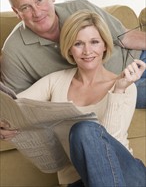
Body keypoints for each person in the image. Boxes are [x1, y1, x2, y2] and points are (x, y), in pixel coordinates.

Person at [3, 10, 146, 187]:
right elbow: (11, 107)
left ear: (104, 45)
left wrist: (118, 91)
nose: (87, 51)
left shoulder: (124, 85)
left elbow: (110, 150)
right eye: (78, 43)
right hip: (78, 181)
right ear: (69, 47)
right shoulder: (54, 81)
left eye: (94, 42)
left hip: (129, 176)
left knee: (84, 130)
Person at [0, 0, 146, 108]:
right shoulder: (14, 51)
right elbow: (15, 105)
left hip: (138, 59)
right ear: (16, 12)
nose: (37, 12)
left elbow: (125, 37)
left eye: (39, 0)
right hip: (120, 86)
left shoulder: (79, 7)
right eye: (25, 7)